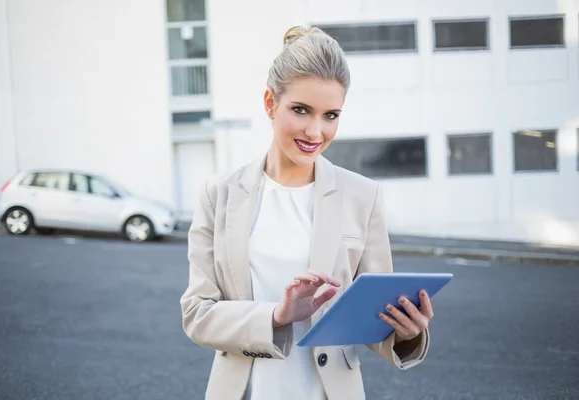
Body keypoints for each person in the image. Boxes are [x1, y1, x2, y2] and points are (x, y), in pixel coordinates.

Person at [180, 25, 434, 400]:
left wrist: (407, 333)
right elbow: (197, 314)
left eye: (331, 115)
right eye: (301, 110)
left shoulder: (362, 196)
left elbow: (370, 316)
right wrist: (276, 316)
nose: (316, 131)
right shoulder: (219, 194)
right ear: (270, 103)